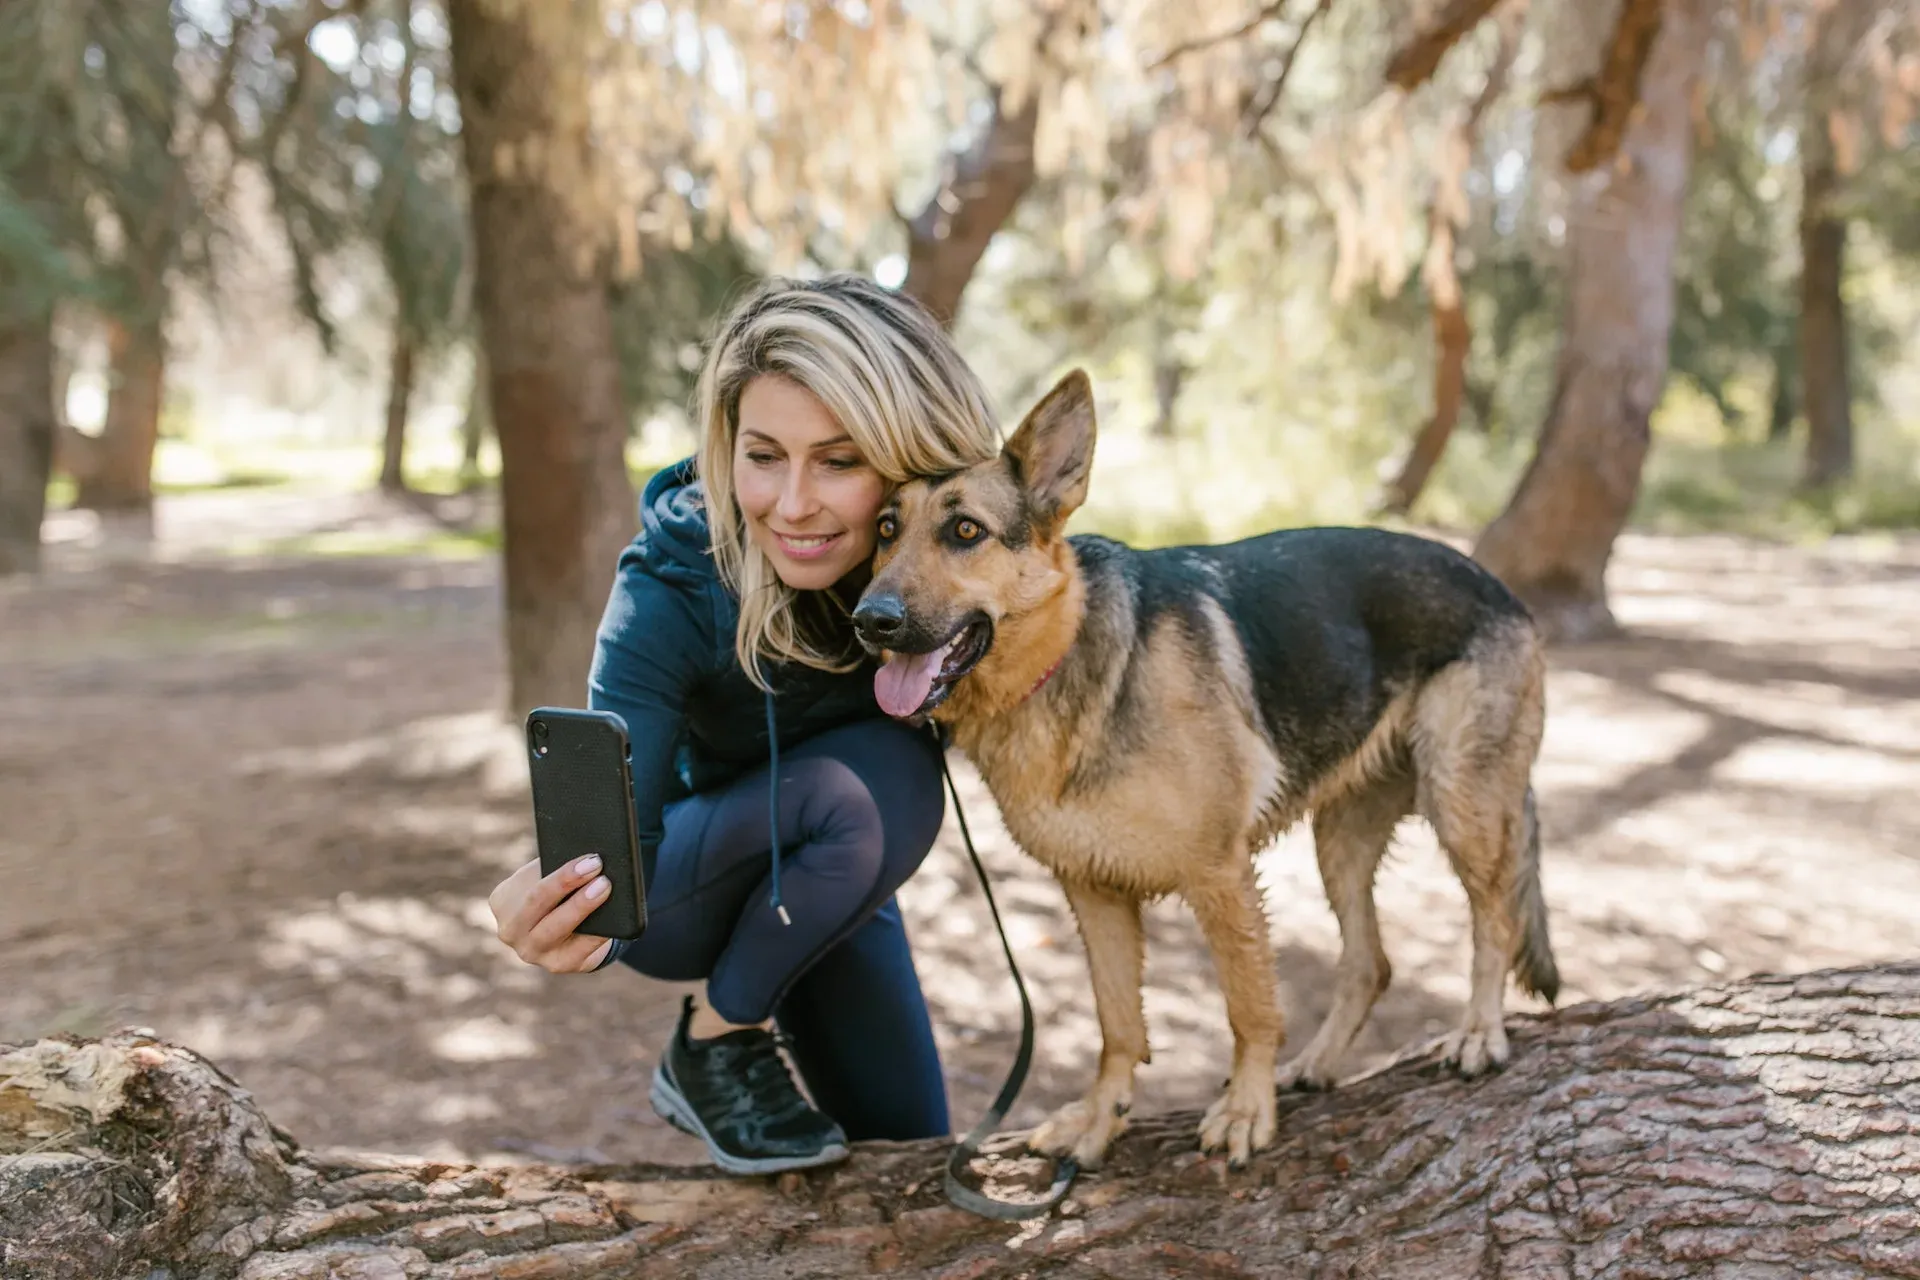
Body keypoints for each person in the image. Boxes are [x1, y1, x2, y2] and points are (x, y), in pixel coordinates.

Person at [485, 273, 1002, 1175]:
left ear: (916, 460)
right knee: (878, 775)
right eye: (764, 456)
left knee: (912, 1163)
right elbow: (616, 853)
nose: (793, 504)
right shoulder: (670, 586)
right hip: (699, 883)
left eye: (839, 461)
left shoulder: (972, 564)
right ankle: (716, 1040)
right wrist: (559, 916)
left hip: (837, 883)